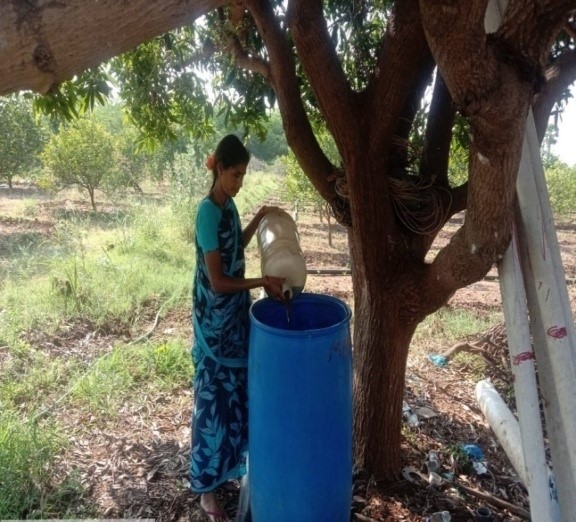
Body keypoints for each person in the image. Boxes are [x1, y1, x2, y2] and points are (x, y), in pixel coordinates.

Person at [190, 134, 285, 522]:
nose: (238, 182)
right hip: (215, 322)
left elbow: (236, 251)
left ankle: (226, 471)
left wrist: (259, 217)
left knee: (235, 399)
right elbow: (218, 281)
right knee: (212, 403)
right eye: (234, 174)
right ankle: (206, 492)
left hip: (234, 319)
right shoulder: (207, 213)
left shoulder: (228, 207)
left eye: (243, 175)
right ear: (218, 168)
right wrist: (262, 284)